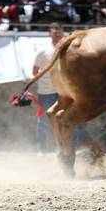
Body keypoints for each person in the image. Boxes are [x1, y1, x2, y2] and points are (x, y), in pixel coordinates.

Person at [32, 23, 63, 154]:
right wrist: (47, 80)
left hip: (63, 91)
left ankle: (64, 148)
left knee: (65, 119)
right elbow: (34, 71)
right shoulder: (42, 51)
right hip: (45, 92)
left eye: (59, 30)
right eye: (54, 31)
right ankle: (42, 149)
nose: (57, 33)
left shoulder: (67, 50)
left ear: (62, 32)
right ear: (49, 33)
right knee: (43, 121)